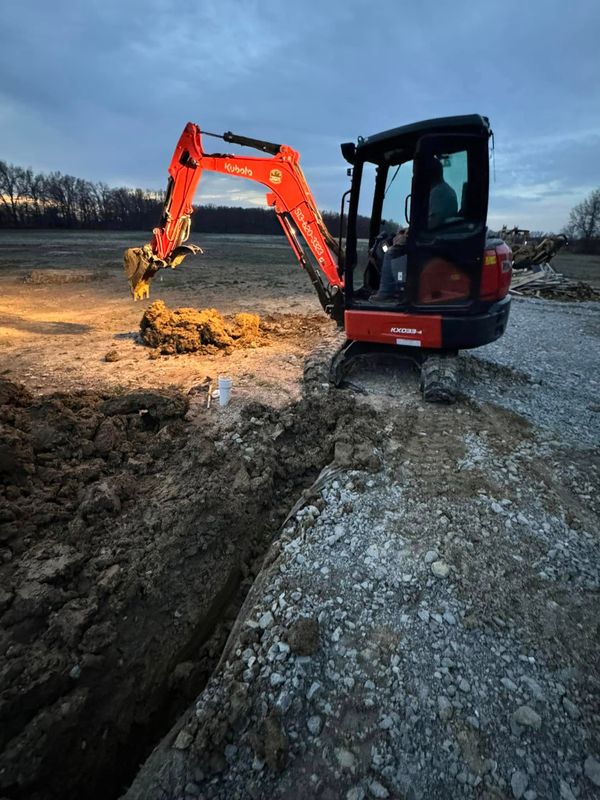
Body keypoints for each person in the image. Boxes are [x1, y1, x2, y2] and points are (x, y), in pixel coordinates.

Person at [370, 158, 458, 303]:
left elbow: (432, 222)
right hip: (437, 236)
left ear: (430, 173)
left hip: (431, 239)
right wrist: (407, 230)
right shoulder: (445, 191)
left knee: (391, 252)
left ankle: (386, 292)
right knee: (397, 242)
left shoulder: (439, 193)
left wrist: (409, 233)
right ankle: (398, 286)